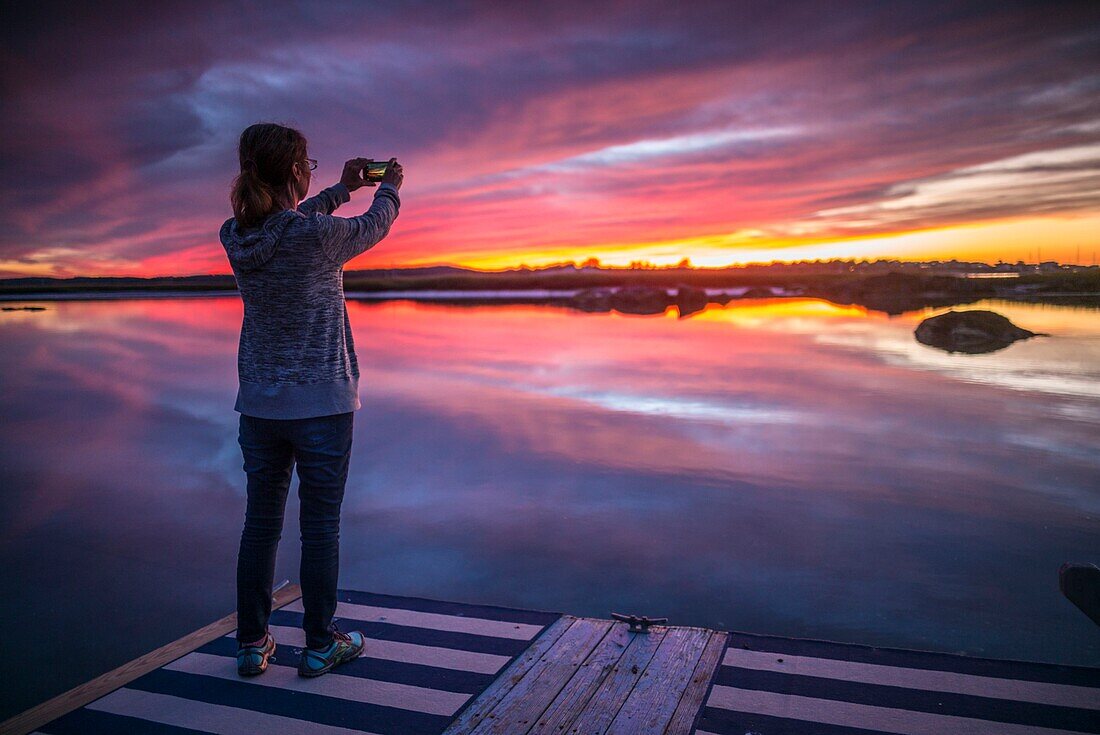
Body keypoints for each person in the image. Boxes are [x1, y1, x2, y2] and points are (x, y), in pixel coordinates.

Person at [218, 122, 403, 678]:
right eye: (310, 165)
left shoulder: (235, 234)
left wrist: (342, 188)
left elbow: (287, 222)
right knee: (320, 526)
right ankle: (321, 644)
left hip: (259, 407)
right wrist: (389, 186)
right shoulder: (316, 238)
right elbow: (374, 226)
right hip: (323, 403)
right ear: (297, 171)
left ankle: (252, 644)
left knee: (260, 524)